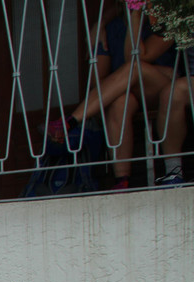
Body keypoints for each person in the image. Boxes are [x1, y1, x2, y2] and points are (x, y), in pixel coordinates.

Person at [50, 4, 187, 188]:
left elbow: (135, 57)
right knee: (119, 102)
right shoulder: (110, 27)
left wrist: (135, 17)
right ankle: (122, 181)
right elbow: (96, 81)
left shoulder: (167, 21)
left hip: (160, 89)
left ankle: (71, 121)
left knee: (135, 68)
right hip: (131, 92)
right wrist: (119, 83)